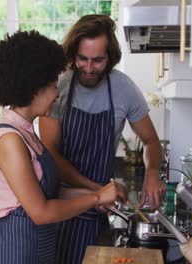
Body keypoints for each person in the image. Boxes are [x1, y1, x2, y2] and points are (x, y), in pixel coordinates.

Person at [0, 30, 124, 264]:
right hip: (14, 254)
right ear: (33, 86)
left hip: (38, 252)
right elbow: (41, 211)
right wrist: (97, 195)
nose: (56, 94)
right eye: (52, 84)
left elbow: (52, 192)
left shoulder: (28, 135)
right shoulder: (10, 141)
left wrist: (98, 197)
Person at [39, 14, 166, 264]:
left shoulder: (124, 89)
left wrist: (153, 172)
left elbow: (151, 141)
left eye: (97, 60)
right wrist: (97, 190)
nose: (87, 68)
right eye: (82, 59)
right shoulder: (58, 88)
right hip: (59, 207)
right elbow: (51, 154)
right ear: (73, 54)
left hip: (97, 213)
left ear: (111, 58)